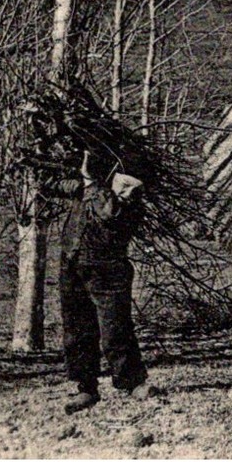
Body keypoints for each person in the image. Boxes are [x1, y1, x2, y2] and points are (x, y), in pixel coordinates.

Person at [42, 149, 154, 413]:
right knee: (77, 328)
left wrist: (90, 182)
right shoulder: (88, 190)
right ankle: (85, 387)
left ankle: (132, 382)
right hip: (73, 263)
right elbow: (57, 185)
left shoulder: (121, 200)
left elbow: (107, 212)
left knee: (115, 328)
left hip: (107, 270)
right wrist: (39, 161)